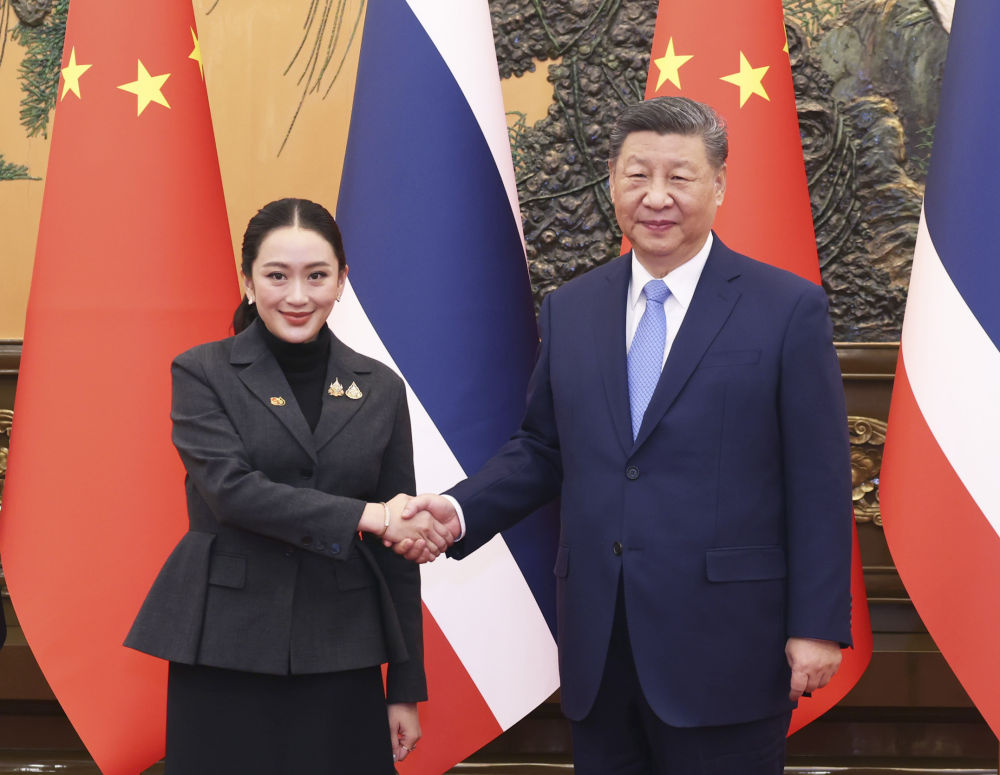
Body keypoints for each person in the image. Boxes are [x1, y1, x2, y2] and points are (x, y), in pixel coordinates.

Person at [396, 97, 853, 773]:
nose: (656, 196)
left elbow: (818, 478)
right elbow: (543, 447)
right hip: (601, 648)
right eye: (638, 175)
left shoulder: (786, 308)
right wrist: (460, 510)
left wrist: (816, 624)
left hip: (729, 649)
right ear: (612, 180)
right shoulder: (572, 308)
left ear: (720, 184)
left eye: (680, 176)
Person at [126, 198, 451, 774]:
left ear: (341, 282)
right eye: (277, 276)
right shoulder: (202, 372)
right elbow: (232, 492)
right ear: (247, 281)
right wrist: (368, 515)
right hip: (224, 647)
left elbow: (398, 552)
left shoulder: (380, 388)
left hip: (343, 649)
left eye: (316, 276)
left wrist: (404, 688)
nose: (297, 296)